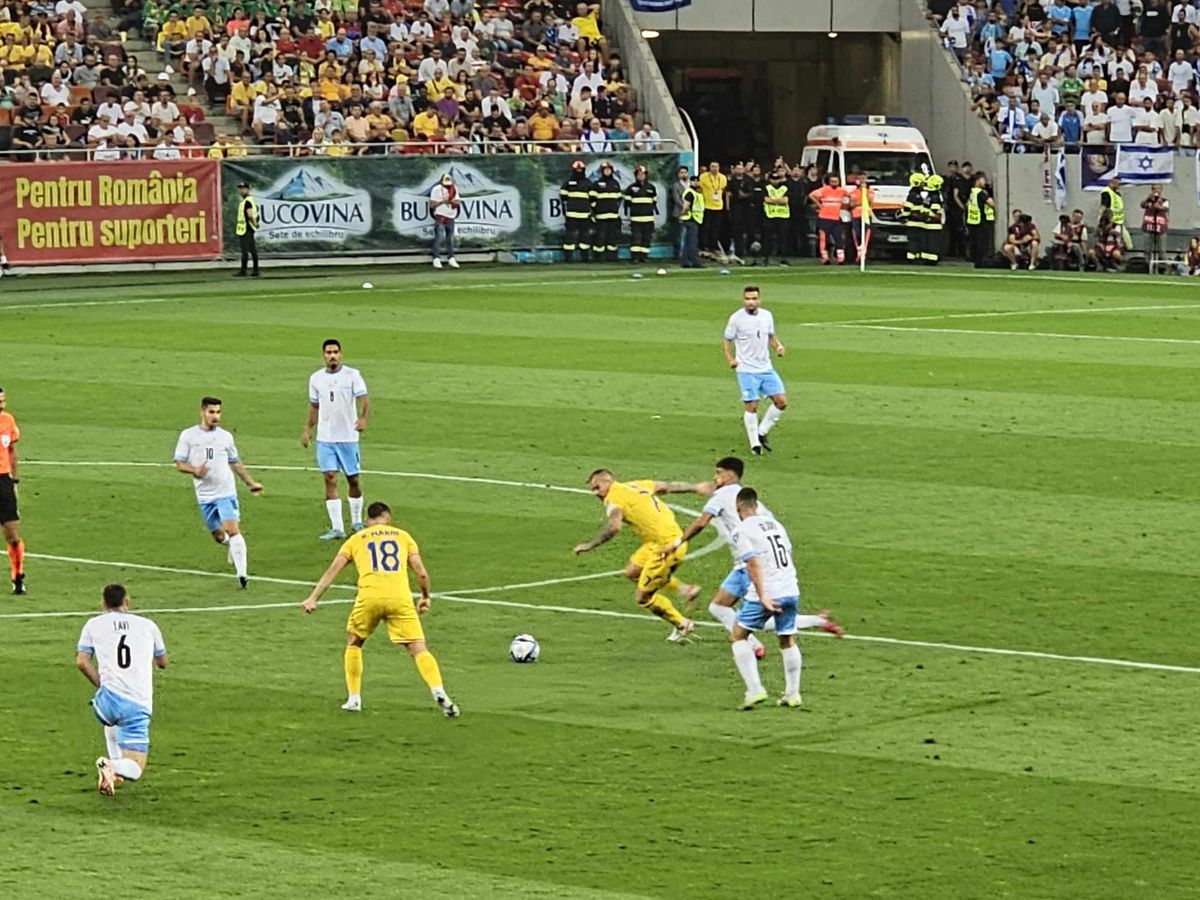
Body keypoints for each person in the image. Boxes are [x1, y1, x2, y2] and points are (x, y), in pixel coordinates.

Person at [667, 457, 842, 659]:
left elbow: (701, 523)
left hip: (749, 565)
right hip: (765, 564)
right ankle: (817, 621)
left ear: (730, 474)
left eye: (718, 472)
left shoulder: (721, 495)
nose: (715, 478)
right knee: (740, 609)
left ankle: (753, 644)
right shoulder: (754, 503)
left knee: (729, 609)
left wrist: (677, 543)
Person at [302, 501, 460, 717]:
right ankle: (438, 690)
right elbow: (421, 573)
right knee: (418, 647)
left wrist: (313, 598)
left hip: (369, 597)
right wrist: (424, 596)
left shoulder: (356, 539)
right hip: (400, 598)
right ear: (389, 518)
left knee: (354, 641)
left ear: (367, 520)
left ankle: (354, 699)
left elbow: (334, 569)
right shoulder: (403, 536)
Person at [572, 470, 700, 642]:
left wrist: (590, 545)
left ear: (609, 481)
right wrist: (696, 487)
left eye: (597, 486)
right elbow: (668, 486)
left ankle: (682, 624)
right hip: (658, 541)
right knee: (632, 572)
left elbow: (614, 527)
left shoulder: (614, 499)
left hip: (666, 547)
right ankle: (685, 589)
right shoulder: (637, 485)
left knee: (643, 598)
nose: (595, 492)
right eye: (592, 489)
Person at [77, 584, 169, 796]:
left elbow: (82, 662)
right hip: (136, 705)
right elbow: (163, 662)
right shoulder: (147, 625)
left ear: (103, 603)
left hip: (104, 704)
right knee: (136, 769)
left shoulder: (93, 624)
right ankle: (112, 765)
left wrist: (102, 684)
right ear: (127, 602)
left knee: (113, 720)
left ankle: (112, 773)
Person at [726, 487, 809, 710]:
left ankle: (755, 690)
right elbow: (789, 556)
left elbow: (752, 563)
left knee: (739, 636)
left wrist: (763, 595)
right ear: (757, 505)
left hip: (768, 591)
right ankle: (793, 694)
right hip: (790, 588)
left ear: (738, 508)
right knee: (787, 639)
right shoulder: (776, 525)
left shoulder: (741, 529)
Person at [173, 396, 264, 587]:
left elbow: (235, 463)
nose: (215, 416)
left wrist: (250, 483)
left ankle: (242, 575)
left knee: (232, 529)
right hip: (204, 495)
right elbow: (179, 464)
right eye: (211, 412)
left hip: (225, 491)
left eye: (218, 412)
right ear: (202, 412)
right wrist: (195, 470)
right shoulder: (188, 436)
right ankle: (232, 546)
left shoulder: (226, 437)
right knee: (219, 536)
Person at [301, 339, 370, 538]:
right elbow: (314, 406)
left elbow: (364, 399)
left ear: (341, 354)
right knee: (329, 478)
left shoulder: (352, 375)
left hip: (348, 437)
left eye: (335, 352)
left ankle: (356, 521)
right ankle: (337, 527)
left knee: (353, 480)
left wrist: (363, 418)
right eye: (329, 352)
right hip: (326, 438)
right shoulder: (315, 379)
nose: (332, 355)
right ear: (323, 355)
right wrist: (308, 428)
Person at [723, 285, 786, 456]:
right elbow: (727, 340)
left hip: (766, 367)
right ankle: (754, 445)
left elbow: (770, 336)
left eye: (753, 299)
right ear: (744, 300)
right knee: (752, 405)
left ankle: (762, 432)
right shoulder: (736, 318)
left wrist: (778, 347)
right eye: (747, 299)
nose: (750, 302)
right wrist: (730, 359)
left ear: (759, 300)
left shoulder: (767, 315)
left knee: (781, 401)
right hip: (746, 369)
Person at [0, 387, 24, 595]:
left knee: (12, 534)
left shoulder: (8, 420)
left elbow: (12, 452)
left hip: (3, 482)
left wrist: (14, 481)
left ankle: (18, 577)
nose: (2, 404)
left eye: (3, 400)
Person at [808, 173, 847, 265]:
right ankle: (825, 258)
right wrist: (819, 205)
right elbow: (811, 195)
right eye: (832, 181)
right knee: (823, 239)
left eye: (836, 181)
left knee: (839, 238)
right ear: (829, 182)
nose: (834, 183)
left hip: (836, 218)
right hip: (824, 218)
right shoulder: (824, 190)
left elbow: (850, 196)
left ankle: (841, 258)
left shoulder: (841, 191)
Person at [623, 163, 657, 264]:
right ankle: (635, 257)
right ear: (636, 175)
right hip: (636, 219)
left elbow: (654, 202)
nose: (641, 176)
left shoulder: (651, 187)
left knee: (646, 238)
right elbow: (627, 203)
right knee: (636, 239)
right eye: (639, 174)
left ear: (646, 175)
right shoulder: (631, 188)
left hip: (648, 219)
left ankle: (644, 257)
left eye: (643, 174)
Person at [560, 158, 593, 262]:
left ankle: (585, 258)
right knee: (569, 237)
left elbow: (592, 199)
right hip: (572, 215)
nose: (579, 171)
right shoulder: (568, 183)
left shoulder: (588, 183)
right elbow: (563, 197)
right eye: (577, 169)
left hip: (584, 215)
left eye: (581, 169)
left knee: (585, 237)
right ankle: (568, 258)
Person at [589, 160, 622, 262]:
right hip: (601, 217)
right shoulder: (596, 184)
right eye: (605, 170)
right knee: (600, 237)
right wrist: (597, 210)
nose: (607, 172)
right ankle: (599, 257)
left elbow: (619, 199)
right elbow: (591, 200)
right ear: (602, 171)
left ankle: (612, 257)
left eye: (609, 170)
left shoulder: (615, 184)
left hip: (613, 216)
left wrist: (615, 210)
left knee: (612, 237)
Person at [428, 172, 460, 269]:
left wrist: (450, 201)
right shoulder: (436, 189)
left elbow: (457, 203)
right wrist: (442, 202)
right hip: (440, 215)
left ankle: (451, 258)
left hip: (451, 216)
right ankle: (436, 258)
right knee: (439, 237)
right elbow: (432, 205)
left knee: (450, 238)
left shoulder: (454, 189)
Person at [759, 168, 790, 266]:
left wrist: (773, 200)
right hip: (770, 216)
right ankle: (766, 258)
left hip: (783, 216)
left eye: (777, 179)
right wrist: (778, 201)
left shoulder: (785, 187)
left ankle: (783, 259)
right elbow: (766, 200)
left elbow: (785, 201)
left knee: (783, 239)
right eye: (773, 179)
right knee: (767, 238)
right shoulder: (766, 187)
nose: (775, 181)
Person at [698, 160, 727, 257]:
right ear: (709, 167)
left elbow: (723, 189)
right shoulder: (703, 177)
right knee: (705, 228)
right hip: (707, 205)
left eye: (716, 166)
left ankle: (713, 247)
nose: (715, 168)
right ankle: (704, 246)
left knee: (716, 228)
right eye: (713, 166)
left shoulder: (722, 177)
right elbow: (700, 189)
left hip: (718, 206)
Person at [966, 171, 996, 267]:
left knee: (975, 243)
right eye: (983, 180)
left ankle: (975, 261)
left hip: (972, 221)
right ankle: (981, 262)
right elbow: (991, 203)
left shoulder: (972, 192)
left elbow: (967, 205)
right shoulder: (981, 193)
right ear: (978, 181)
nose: (985, 182)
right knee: (982, 244)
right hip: (981, 221)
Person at [901, 171, 929, 264]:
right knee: (918, 242)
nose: (923, 184)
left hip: (913, 222)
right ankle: (916, 258)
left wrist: (902, 217)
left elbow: (907, 208)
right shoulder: (922, 195)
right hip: (920, 222)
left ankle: (913, 259)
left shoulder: (912, 194)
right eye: (922, 182)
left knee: (913, 242)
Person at [234, 181, 260, 277]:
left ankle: (243, 270)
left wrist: (255, 223)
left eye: (243, 188)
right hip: (246, 228)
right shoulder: (246, 200)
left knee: (245, 251)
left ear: (247, 189)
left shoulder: (247, 201)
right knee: (252, 250)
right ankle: (255, 270)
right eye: (240, 188)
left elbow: (249, 214)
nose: (241, 190)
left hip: (246, 229)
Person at [848, 175, 875, 264]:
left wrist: (863, 196)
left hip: (866, 214)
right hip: (856, 215)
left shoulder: (870, 191)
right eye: (861, 179)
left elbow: (870, 202)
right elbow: (852, 204)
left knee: (867, 233)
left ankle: (863, 252)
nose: (863, 181)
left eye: (864, 179)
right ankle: (858, 251)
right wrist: (858, 203)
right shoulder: (853, 192)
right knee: (857, 233)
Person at [1141, 184, 1169, 266]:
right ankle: (1147, 266)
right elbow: (1142, 205)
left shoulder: (1164, 200)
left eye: (1158, 189)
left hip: (1161, 229)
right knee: (1147, 250)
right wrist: (1147, 198)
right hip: (1148, 227)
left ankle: (1163, 268)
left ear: (1161, 189)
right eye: (1154, 189)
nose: (1156, 190)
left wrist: (1159, 205)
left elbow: (1165, 208)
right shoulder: (1149, 201)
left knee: (1162, 250)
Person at [1100, 176, 1131, 249]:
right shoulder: (1106, 192)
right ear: (1113, 182)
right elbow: (1103, 206)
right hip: (1111, 223)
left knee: (1128, 244)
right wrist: (1103, 222)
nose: (1119, 186)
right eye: (1118, 184)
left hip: (1119, 222)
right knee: (1115, 243)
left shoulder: (1118, 194)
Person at [680, 172, 704, 269]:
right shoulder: (690, 192)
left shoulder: (696, 192)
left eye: (697, 181)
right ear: (690, 182)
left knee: (687, 241)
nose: (696, 182)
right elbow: (686, 205)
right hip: (691, 218)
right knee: (693, 242)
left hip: (694, 218)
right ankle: (695, 261)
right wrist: (681, 215)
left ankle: (685, 261)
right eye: (694, 181)